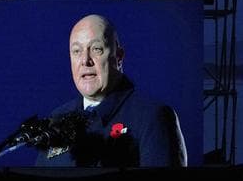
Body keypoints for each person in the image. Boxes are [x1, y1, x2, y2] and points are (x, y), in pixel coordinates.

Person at [36, 14, 187, 167]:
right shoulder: (57, 120)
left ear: (119, 57)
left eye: (96, 49)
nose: (85, 60)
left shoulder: (153, 117)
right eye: (76, 51)